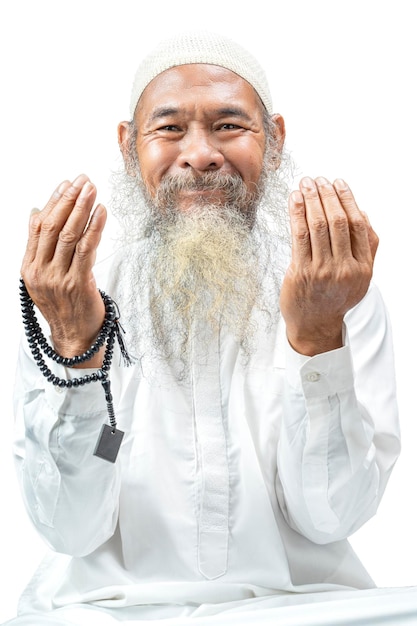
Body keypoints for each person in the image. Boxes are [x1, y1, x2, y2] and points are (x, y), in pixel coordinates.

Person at [5, 30, 411, 626]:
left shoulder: (333, 288)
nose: (199, 154)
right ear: (128, 148)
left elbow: (333, 517)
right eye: (169, 129)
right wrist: (75, 349)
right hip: (105, 612)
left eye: (228, 126)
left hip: (304, 609)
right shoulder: (77, 293)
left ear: (274, 143)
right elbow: (69, 528)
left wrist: (318, 336)